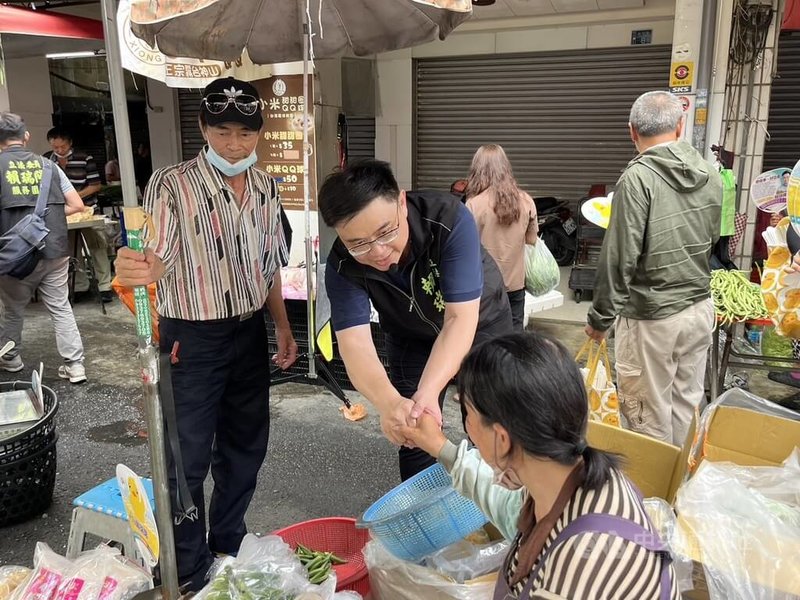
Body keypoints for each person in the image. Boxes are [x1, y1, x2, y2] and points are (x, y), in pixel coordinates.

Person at [114, 77, 298, 590]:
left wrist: (281, 326)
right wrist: (136, 266)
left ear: (259, 135)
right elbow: (156, 255)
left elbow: (269, 267)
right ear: (202, 128)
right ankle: (188, 567)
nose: (234, 144)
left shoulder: (266, 187)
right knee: (185, 456)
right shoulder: (171, 185)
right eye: (223, 131)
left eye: (245, 133)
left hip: (248, 333)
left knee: (246, 446)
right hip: (189, 339)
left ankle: (228, 541)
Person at [397, 332, 680, 600]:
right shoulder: (569, 475)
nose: (467, 428)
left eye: (467, 415)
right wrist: (439, 446)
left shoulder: (578, 566)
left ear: (502, 439)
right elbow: (506, 505)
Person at [319, 159, 513, 481]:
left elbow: (458, 319)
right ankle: (420, 518)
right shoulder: (342, 265)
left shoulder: (448, 219)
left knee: (495, 418)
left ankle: (499, 505)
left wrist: (427, 393)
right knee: (412, 427)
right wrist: (390, 402)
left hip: (481, 324)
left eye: (386, 232)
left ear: (401, 202)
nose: (378, 251)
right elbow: (355, 345)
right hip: (409, 334)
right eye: (359, 244)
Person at [585, 90, 722, 446]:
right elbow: (709, 240)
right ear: (680, 126)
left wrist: (600, 319)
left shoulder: (637, 179)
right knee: (685, 405)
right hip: (698, 308)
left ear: (632, 132)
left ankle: (653, 498)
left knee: (647, 416)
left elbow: (620, 258)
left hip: (652, 318)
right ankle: (679, 491)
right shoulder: (711, 173)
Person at [0, 112, 88, 383]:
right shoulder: (49, 166)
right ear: (26, 137)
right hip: (54, 248)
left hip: (13, 256)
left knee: (13, 309)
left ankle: (11, 358)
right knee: (60, 307)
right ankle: (75, 366)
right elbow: (77, 205)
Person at [465, 144, 538, 330]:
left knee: (486, 340)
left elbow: (465, 248)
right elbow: (531, 240)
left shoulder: (473, 205)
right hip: (515, 285)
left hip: (484, 287)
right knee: (514, 340)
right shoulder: (526, 201)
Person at [45, 128, 114, 303]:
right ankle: (79, 286)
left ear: (70, 143)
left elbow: (95, 185)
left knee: (97, 247)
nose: (59, 150)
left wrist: (74, 199)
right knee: (71, 251)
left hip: (88, 210)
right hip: (63, 214)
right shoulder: (47, 160)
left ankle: (105, 286)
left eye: (62, 146)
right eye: (56, 147)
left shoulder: (84, 159)